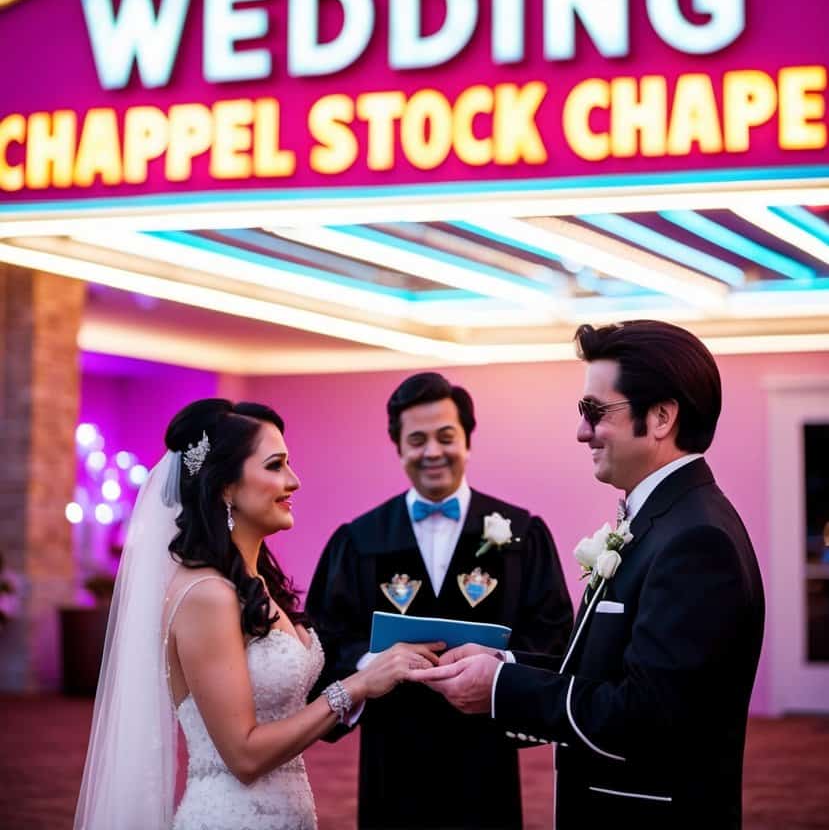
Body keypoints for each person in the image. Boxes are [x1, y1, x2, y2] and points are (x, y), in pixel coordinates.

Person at [413, 321, 765, 829]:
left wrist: (501, 689)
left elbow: (644, 714)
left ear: (662, 416)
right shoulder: (665, 519)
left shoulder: (696, 539)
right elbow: (608, 668)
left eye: (595, 412)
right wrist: (505, 661)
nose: (582, 431)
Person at [74, 398, 441, 830]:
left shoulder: (256, 584)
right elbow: (244, 755)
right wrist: (357, 685)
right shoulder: (206, 595)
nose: (294, 481)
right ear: (225, 486)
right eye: (275, 465)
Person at [306, 371, 574, 829]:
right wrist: (374, 661)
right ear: (398, 447)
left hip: (484, 751)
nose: (432, 452)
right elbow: (322, 638)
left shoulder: (519, 533)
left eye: (446, 437)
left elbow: (554, 632)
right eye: (417, 439)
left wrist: (499, 664)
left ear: (467, 439)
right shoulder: (360, 539)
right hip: (393, 751)